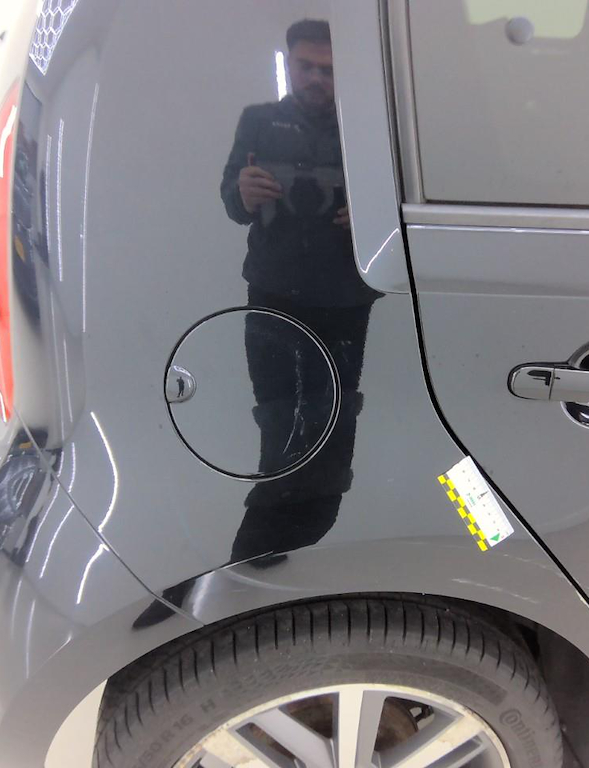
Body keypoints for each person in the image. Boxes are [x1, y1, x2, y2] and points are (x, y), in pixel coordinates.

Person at [220, 19, 381, 566]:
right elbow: (231, 200)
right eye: (306, 66)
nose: (315, 77)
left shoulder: (368, 125)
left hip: (345, 294)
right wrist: (242, 193)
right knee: (280, 414)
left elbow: (401, 204)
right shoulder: (258, 121)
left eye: (328, 69)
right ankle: (262, 545)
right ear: (289, 64)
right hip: (275, 292)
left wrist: (373, 215)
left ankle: (315, 532)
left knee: (336, 413)